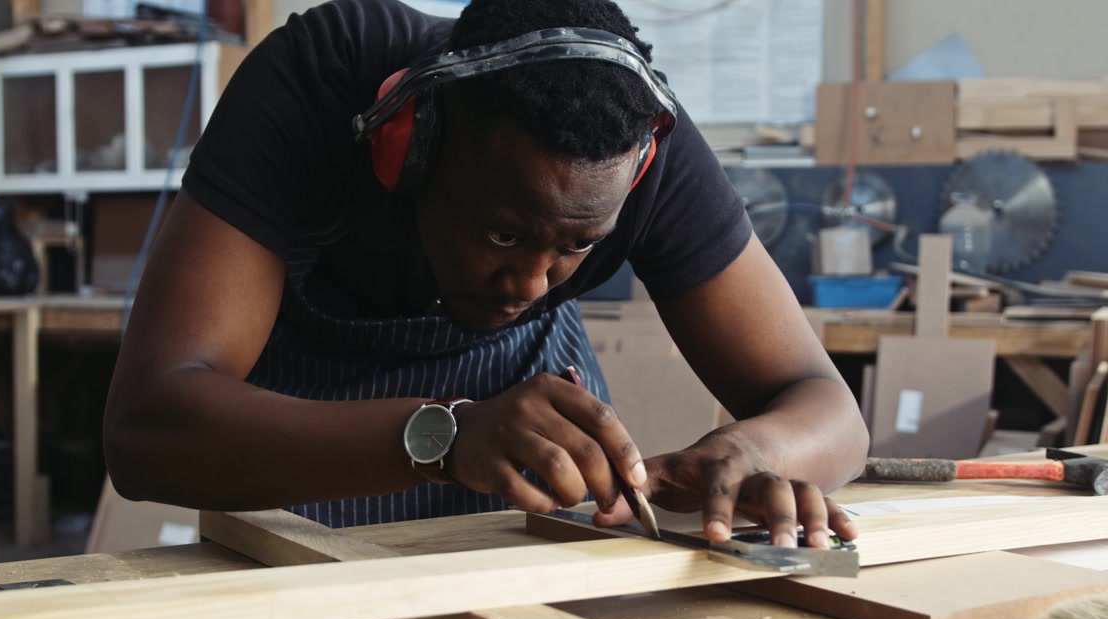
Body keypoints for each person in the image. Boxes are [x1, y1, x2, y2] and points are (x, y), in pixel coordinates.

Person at [103, 0, 869, 549]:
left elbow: (827, 409)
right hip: (299, 439)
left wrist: (756, 452)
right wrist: (445, 432)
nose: (531, 283)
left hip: (524, 421)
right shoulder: (320, 78)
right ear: (410, 148)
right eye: (503, 232)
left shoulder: (640, 140)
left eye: (575, 248)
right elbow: (145, 432)